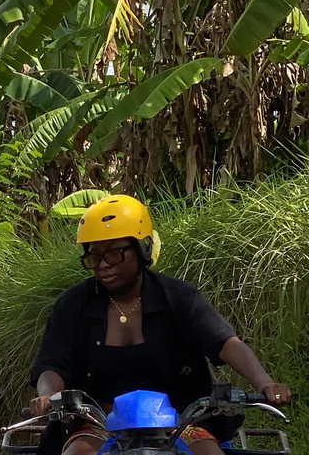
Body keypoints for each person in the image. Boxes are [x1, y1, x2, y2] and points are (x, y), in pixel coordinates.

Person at [29, 195, 292, 455]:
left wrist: (264, 382)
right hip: (99, 424)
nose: (103, 265)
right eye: (94, 256)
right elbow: (53, 363)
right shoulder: (73, 304)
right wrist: (48, 395)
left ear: (142, 249)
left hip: (179, 423)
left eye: (114, 253)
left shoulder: (179, 298)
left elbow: (225, 342)